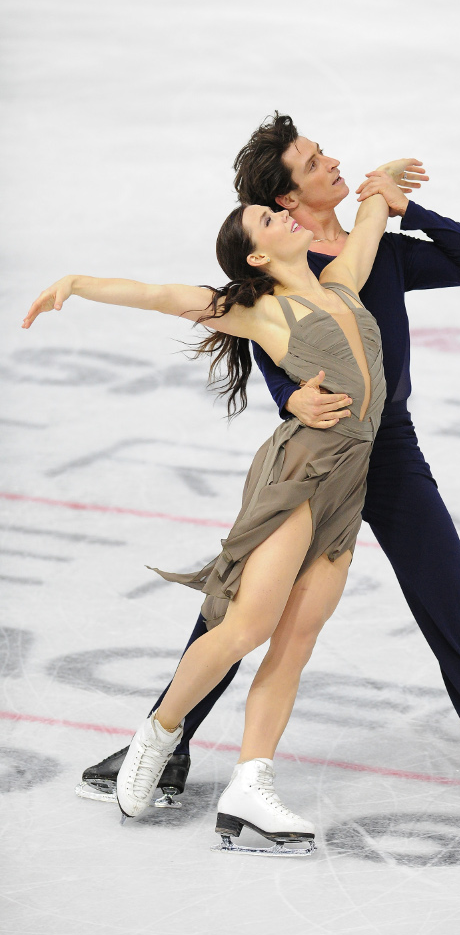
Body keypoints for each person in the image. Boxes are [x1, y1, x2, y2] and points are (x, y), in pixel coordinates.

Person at [78, 113, 460, 819]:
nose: (333, 163)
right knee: (242, 605)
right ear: (286, 201)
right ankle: (169, 741)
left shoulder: (378, 255)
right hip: (320, 452)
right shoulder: (285, 271)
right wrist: (294, 399)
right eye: (315, 162)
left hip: (392, 447)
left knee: (444, 585)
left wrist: (408, 206)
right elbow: (280, 358)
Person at [22, 180, 394, 853]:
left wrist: (384, 184)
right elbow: (161, 295)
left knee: (298, 640)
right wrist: (76, 281)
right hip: (299, 473)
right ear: (255, 255)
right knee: (249, 625)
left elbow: (368, 219)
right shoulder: (259, 310)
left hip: (351, 477)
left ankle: (252, 785)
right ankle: (158, 734)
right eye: (267, 217)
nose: (283, 214)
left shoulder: (340, 282)